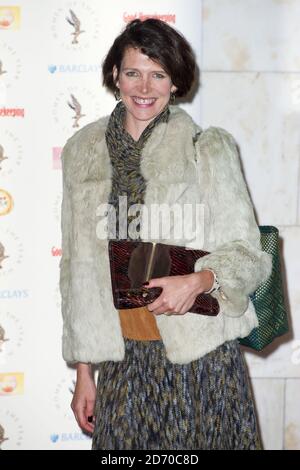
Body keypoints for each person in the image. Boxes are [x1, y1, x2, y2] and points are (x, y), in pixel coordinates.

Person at [59, 18, 272, 450]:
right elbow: (77, 269)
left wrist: (197, 281)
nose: (144, 86)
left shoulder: (207, 146)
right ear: (115, 75)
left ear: (175, 83)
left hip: (200, 358)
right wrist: (84, 371)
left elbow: (249, 253)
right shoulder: (81, 151)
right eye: (133, 72)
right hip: (122, 360)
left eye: (159, 74)